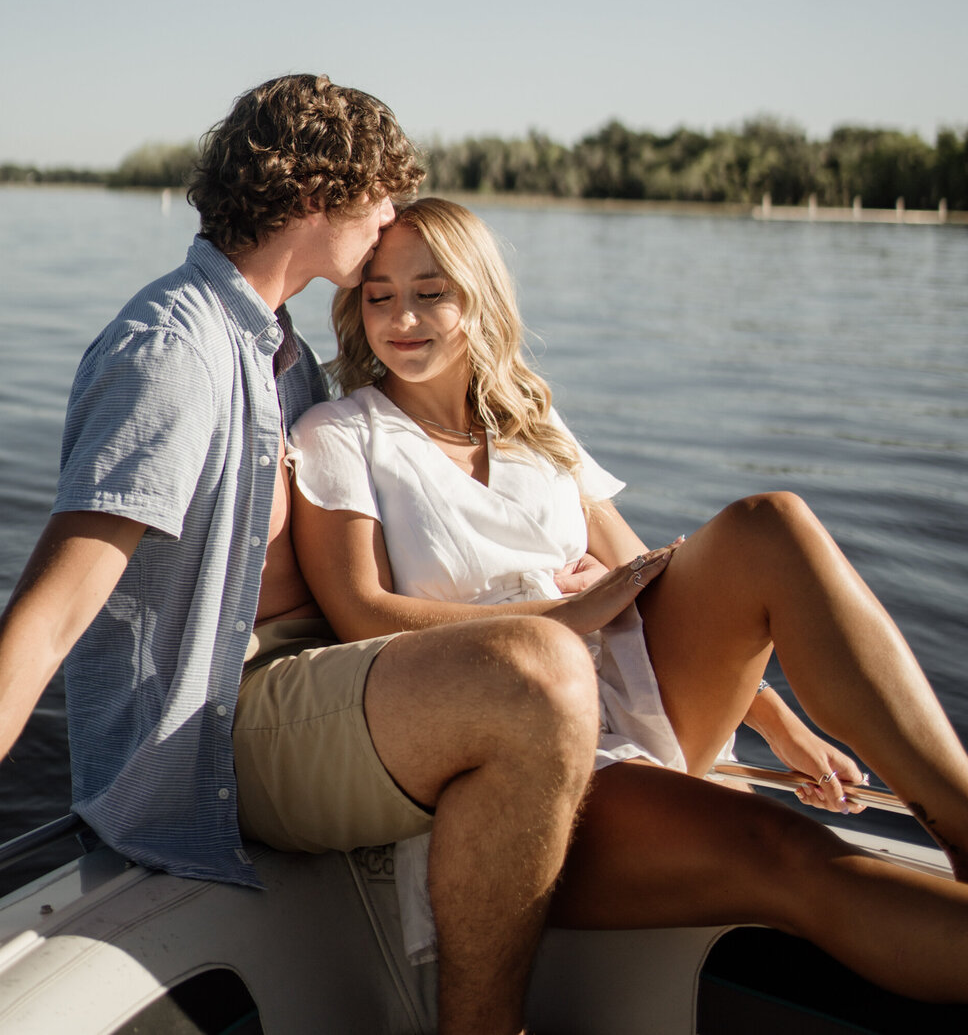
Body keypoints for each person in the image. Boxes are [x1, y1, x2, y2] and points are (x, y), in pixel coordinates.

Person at [0, 78, 633, 1035]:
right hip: (216, 733)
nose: (390, 216)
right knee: (539, 669)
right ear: (315, 197)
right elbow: (47, 617)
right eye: (380, 193)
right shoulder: (173, 353)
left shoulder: (282, 350)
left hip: (322, 680)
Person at [289, 195, 968, 1005]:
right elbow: (362, 613)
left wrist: (770, 716)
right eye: (381, 294)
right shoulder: (343, 431)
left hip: (636, 695)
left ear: (478, 299)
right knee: (787, 846)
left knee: (767, 524)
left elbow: (641, 576)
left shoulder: (532, 424)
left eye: (432, 290)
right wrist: (563, 619)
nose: (404, 316)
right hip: (523, 762)